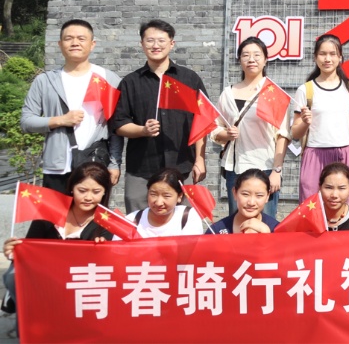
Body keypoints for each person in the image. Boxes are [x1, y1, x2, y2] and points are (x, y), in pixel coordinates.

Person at [3, 162, 114, 334]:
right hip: (42, 273)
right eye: (82, 190)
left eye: (96, 191)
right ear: (72, 188)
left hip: (77, 279)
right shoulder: (50, 211)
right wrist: (13, 251)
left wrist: (104, 250)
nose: (88, 197)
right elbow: (30, 246)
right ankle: (27, 329)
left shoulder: (107, 222)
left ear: (105, 192)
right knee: (13, 275)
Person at [110, 19, 209, 213]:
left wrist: (200, 159)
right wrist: (142, 130)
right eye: (150, 40)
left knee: (183, 221)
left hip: (183, 166)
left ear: (172, 43)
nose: (156, 45)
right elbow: (119, 124)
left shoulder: (189, 79)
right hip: (142, 167)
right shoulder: (130, 82)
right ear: (142, 44)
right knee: (138, 220)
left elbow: (202, 121)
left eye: (161, 41)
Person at [20, 20, 123, 195]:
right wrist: (60, 120)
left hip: (95, 164)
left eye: (81, 38)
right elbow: (26, 121)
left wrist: (114, 163)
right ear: (60, 44)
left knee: (91, 212)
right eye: (68, 38)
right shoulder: (45, 81)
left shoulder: (108, 79)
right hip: (57, 167)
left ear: (92, 44)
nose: (75, 43)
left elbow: (115, 127)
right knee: (56, 213)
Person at [210, 37, 292, 219]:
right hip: (235, 168)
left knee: (266, 222)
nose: (251, 59)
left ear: (265, 59)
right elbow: (215, 128)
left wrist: (277, 171)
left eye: (257, 55)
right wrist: (226, 134)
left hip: (265, 167)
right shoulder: (227, 93)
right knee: (237, 220)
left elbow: (283, 135)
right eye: (246, 55)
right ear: (239, 60)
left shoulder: (274, 93)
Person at [291, 35, 349, 205]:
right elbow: (295, 133)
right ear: (315, 57)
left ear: (340, 57)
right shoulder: (305, 90)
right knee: (311, 206)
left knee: (342, 207)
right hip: (314, 154)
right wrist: (305, 123)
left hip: (344, 154)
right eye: (322, 54)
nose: (327, 59)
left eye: (332, 54)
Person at [125, 168, 204, 238]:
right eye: (153, 194)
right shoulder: (131, 220)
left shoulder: (189, 217)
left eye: (166, 196)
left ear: (179, 196)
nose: (159, 203)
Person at [207, 168, 279, 234]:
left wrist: (267, 237)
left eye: (259, 195)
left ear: (267, 196)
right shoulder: (215, 231)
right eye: (245, 194)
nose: (251, 203)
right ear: (235, 193)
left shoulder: (277, 230)